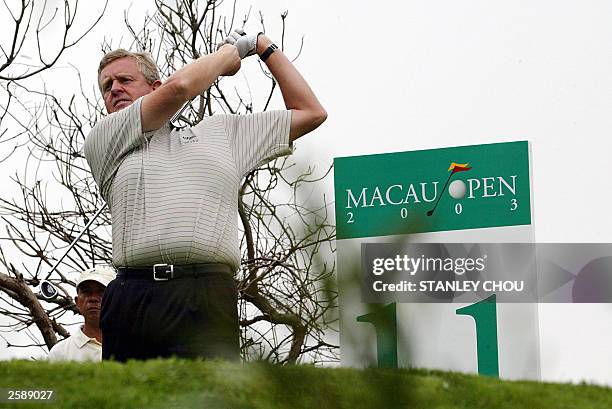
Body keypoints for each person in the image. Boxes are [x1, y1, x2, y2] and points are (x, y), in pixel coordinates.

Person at [84, 29, 326, 362]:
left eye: (125, 79)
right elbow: (180, 88)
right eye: (106, 86)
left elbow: (311, 112)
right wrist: (233, 53)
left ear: (154, 86)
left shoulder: (223, 133)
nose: (114, 90)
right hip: (131, 294)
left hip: (206, 292)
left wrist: (264, 47)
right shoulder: (106, 138)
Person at [47, 266, 115, 362]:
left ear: (116, 299)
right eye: (86, 292)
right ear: (77, 302)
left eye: (102, 292)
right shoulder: (60, 353)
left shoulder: (135, 345)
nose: (93, 298)